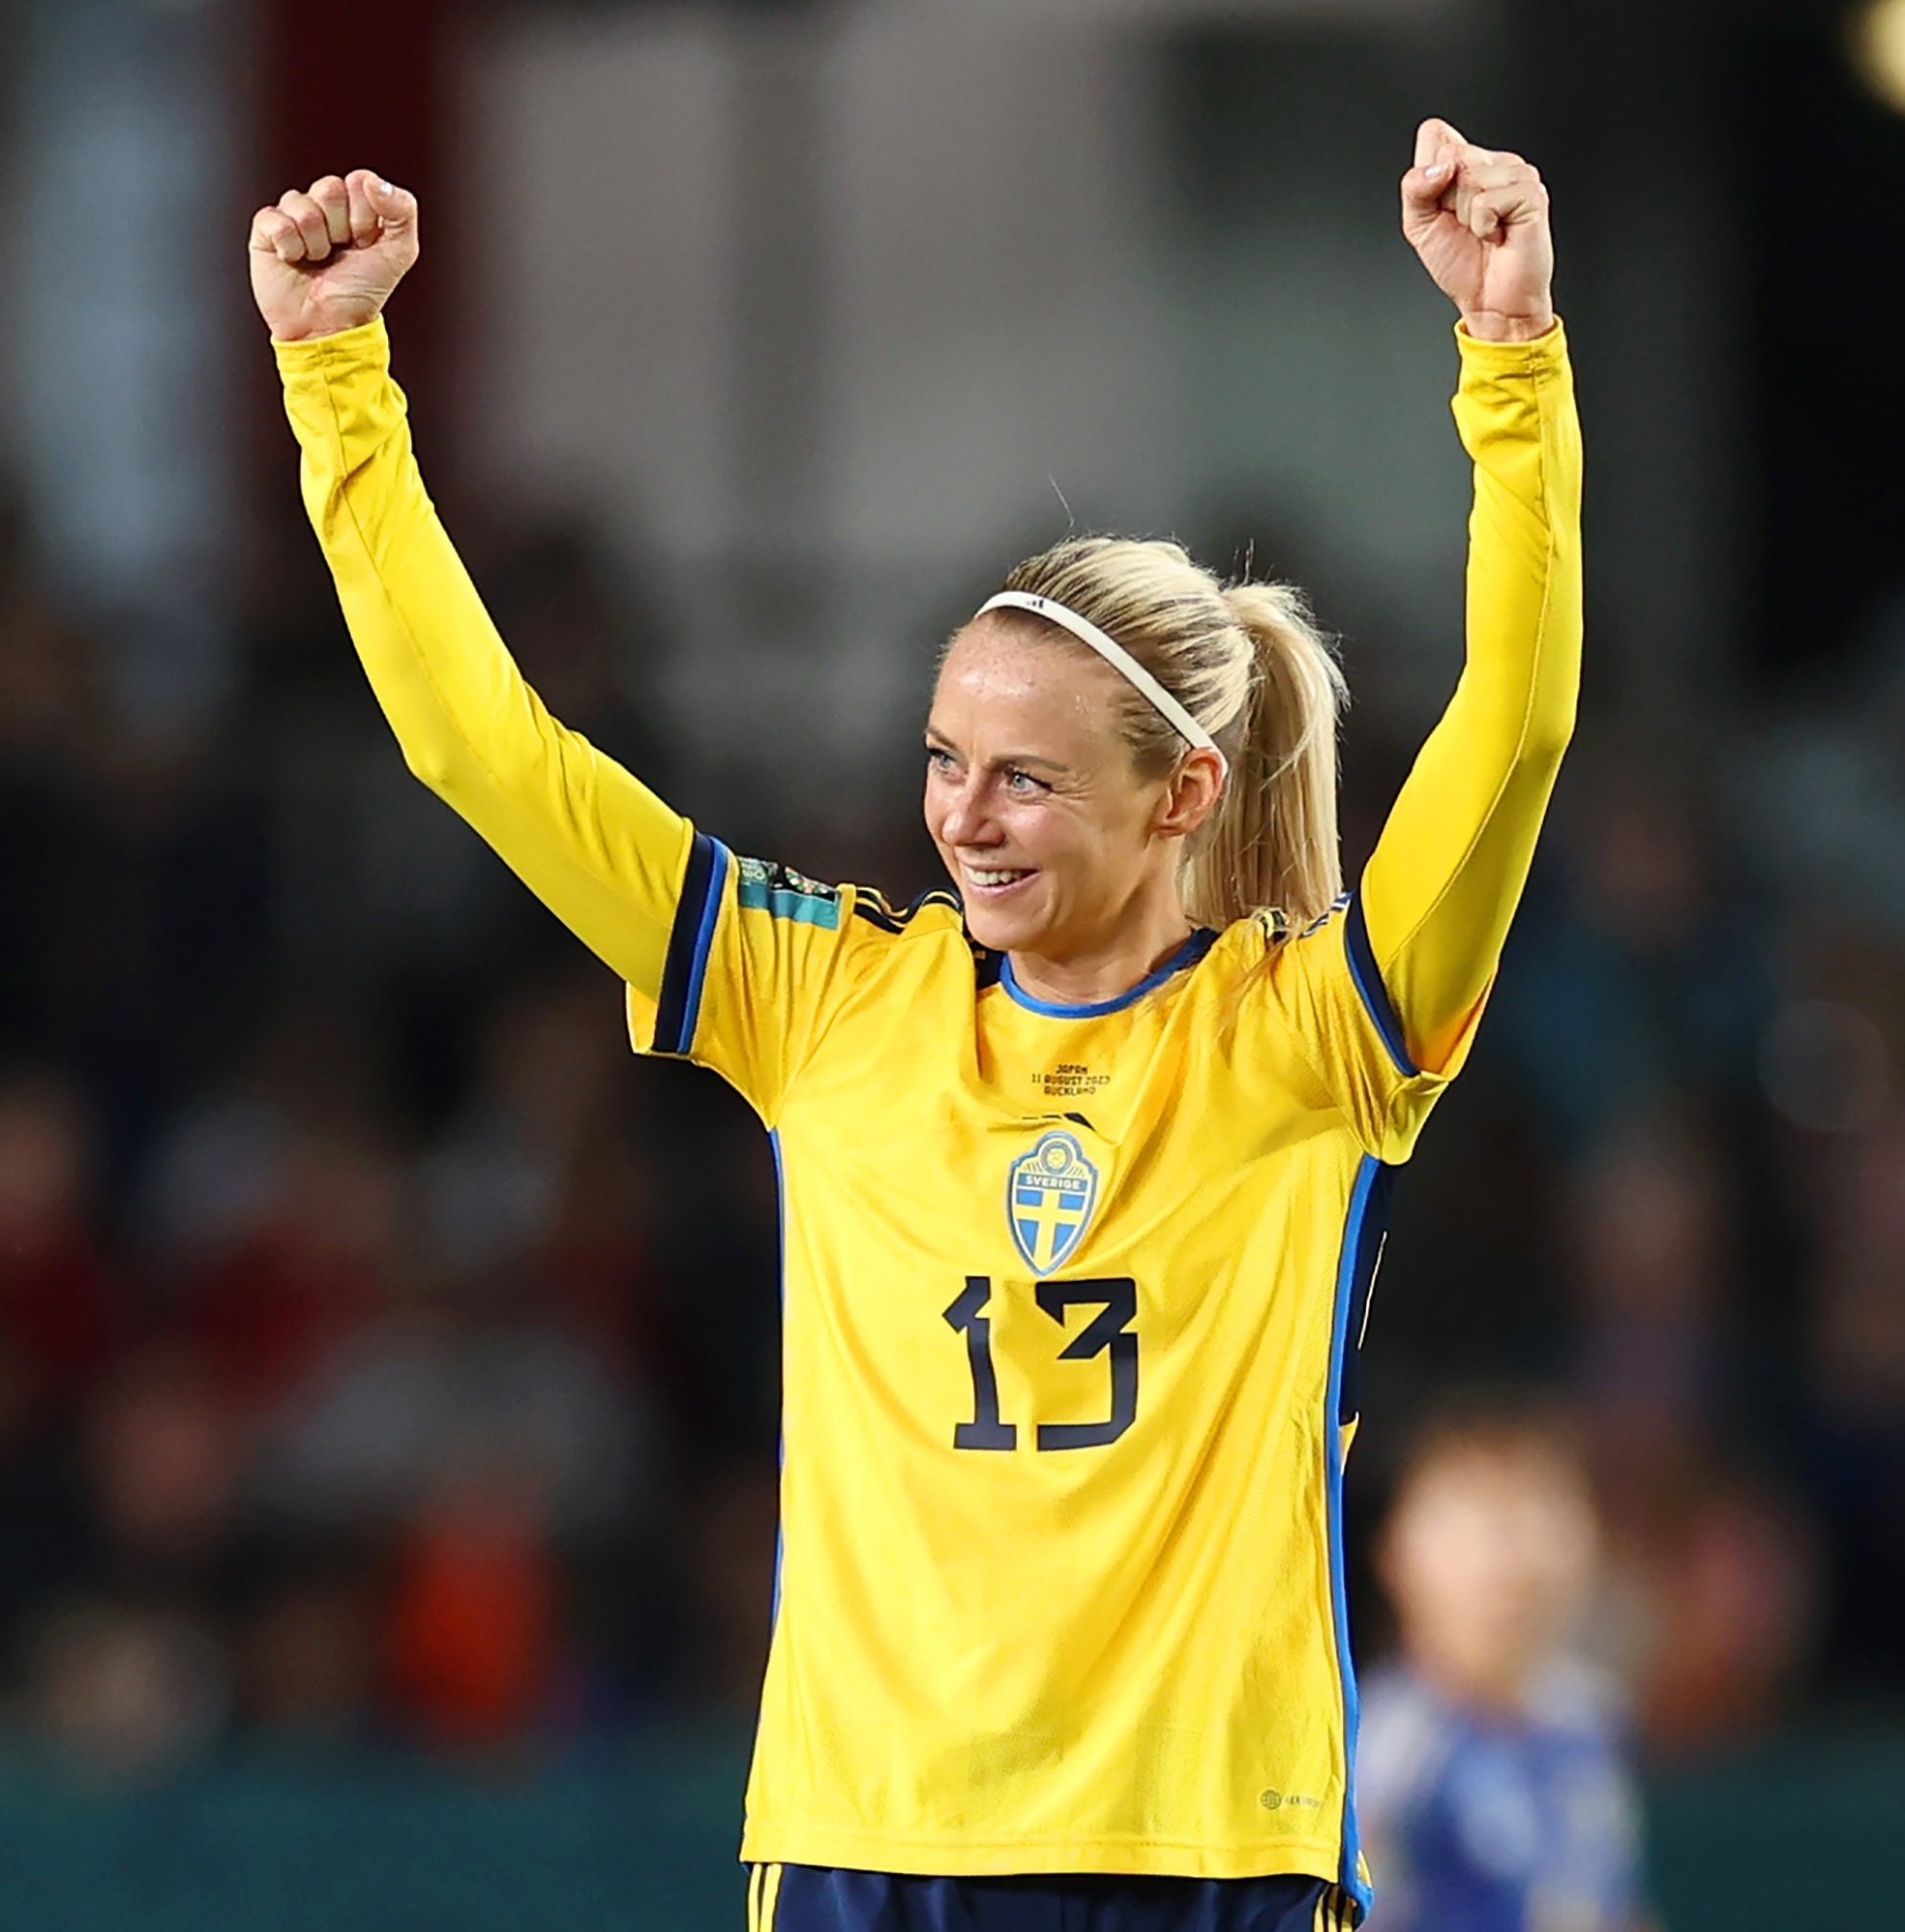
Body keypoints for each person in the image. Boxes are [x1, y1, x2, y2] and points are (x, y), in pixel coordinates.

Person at [249, 112, 1578, 1932]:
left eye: (1024, 779)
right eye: (945, 761)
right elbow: (482, 750)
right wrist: (339, 383)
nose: (959, 816)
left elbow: (1508, 731)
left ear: (1183, 797)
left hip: (1211, 1851)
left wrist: (1510, 367)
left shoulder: (1317, 1037)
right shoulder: (829, 996)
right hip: (875, 1841)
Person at [1356, 1401, 1649, 1932]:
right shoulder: (1381, 1751)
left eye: (1539, 1511)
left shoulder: (1590, 1720)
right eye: (1479, 1522)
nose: (1511, 1562)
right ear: (1394, 1554)